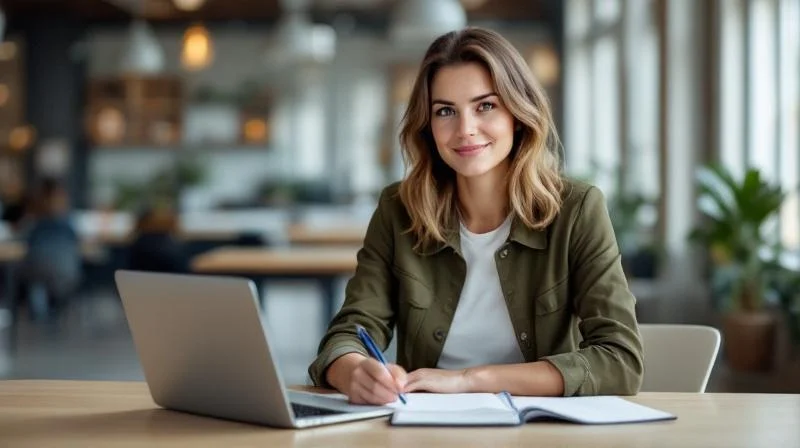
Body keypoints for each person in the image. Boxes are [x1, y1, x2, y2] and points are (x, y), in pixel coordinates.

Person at [308, 27, 643, 404]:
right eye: (445, 111)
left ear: (517, 114)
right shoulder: (398, 209)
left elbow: (620, 360)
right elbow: (348, 333)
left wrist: (470, 380)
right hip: (423, 427)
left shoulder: (577, 210)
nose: (465, 130)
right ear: (428, 125)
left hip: (541, 431)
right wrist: (355, 371)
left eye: (485, 106)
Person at [19, 178, 82, 320]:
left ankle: (38, 314)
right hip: (67, 271)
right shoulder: (67, 221)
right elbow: (76, 241)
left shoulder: (35, 220)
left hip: (38, 270)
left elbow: (25, 239)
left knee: (35, 278)